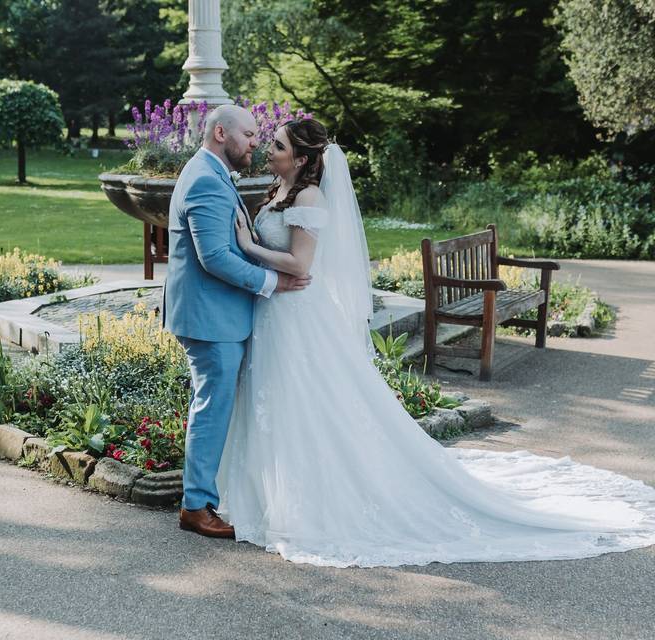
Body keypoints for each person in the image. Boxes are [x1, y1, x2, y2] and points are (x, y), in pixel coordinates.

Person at [212, 117, 655, 567]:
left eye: (279, 145)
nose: (269, 149)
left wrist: (248, 247)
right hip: (276, 318)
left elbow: (300, 265)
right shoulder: (280, 191)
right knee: (281, 404)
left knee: (305, 404)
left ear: (302, 159)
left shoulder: (308, 197)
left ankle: (308, 507)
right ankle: (268, 500)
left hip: (297, 318)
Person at [163, 104, 311, 538]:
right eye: (249, 134)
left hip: (217, 315)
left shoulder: (209, 173)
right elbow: (214, 259)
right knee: (211, 408)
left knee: (214, 406)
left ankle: (206, 495)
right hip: (211, 318)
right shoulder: (207, 181)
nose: (255, 142)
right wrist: (273, 282)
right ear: (221, 133)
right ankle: (196, 506)